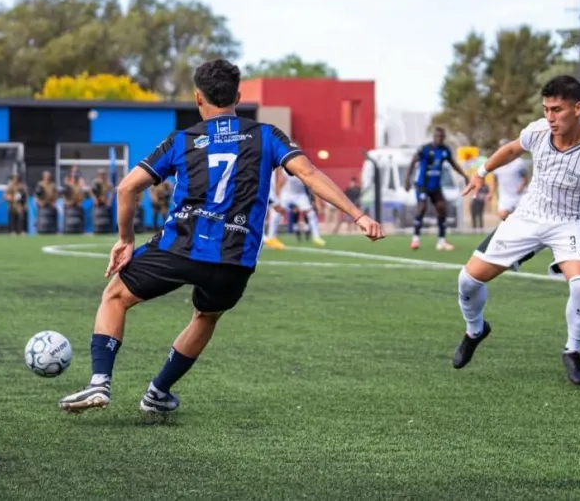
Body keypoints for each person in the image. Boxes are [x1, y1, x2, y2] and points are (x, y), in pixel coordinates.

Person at [58, 59, 385, 415]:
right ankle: (158, 392)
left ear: (198, 98)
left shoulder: (182, 140)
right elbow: (307, 173)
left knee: (115, 297)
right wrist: (359, 214)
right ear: (238, 96)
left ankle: (99, 383)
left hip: (179, 246)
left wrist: (125, 239)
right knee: (206, 316)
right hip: (234, 259)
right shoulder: (266, 135)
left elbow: (127, 188)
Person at [451, 75, 580, 387]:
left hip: (572, 222)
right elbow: (513, 149)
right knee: (467, 279)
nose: (550, 117)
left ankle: (573, 351)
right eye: (546, 109)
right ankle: (474, 329)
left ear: (578, 107)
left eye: (557, 110)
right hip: (528, 216)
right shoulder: (539, 130)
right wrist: (482, 172)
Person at [404, 127, 468, 251]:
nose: (439, 138)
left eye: (441, 137)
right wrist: (407, 180)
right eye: (437, 136)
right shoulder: (425, 149)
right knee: (422, 208)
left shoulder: (445, 150)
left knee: (442, 209)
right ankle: (415, 239)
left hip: (435, 186)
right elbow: (413, 162)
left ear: (443, 138)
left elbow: (453, 164)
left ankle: (441, 241)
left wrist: (465, 175)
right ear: (434, 137)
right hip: (422, 184)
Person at [491, 138, 530, 220]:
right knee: (503, 215)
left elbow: (525, 178)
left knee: (520, 218)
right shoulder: (497, 164)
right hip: (505, 196)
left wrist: (522, 186)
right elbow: (494, 180)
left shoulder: (518, 163)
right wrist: (491, 193)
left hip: (519, 195)